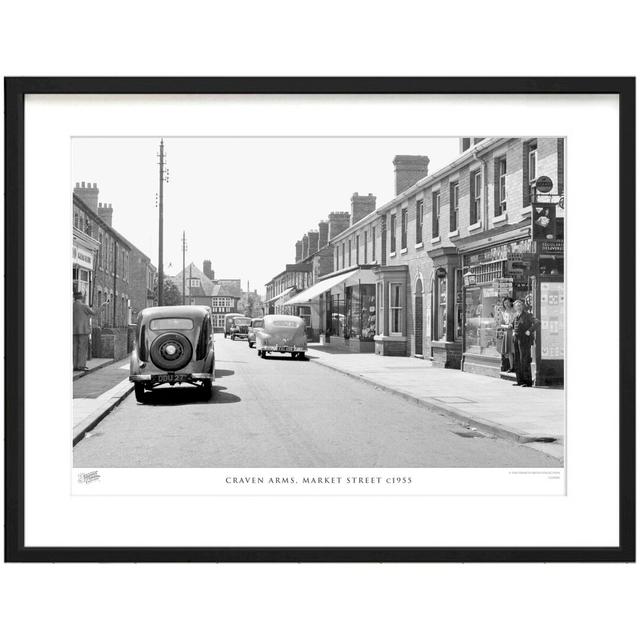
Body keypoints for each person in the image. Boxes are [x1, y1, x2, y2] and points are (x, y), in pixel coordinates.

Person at [73, 291, 106, 371]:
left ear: (74, 297)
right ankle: (81, 366)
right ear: (81, 297)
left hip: (73, 330)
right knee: (82, 348)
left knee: (74, 348)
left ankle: (75, 366)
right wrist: (102, 306)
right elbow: (94, 313)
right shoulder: (84, 306)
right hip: (83, 331)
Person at [512, 298, 539, 387]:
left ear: (522, 306)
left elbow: (537, 322)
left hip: (524, 340)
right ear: (515, 308)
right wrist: (512, 331)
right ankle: (520, 381)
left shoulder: (527, 315)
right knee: (517, 360)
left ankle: (527, 382)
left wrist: (529, 331)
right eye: (517, 306)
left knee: (524, 360)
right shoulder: (516, 316)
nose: (518, 307)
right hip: (516, 339)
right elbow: (513, 325)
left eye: (520, 305)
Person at [497, 296, 516, 372]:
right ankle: (511, 367)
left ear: (511, 302)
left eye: (508, 302)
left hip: (514, 332)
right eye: (505, 303)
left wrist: (512, 326)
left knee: (515, 350)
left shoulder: (514, 311)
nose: (507, 304)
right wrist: (507, 326)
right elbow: (500, 324)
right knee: (510, 351)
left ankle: (517, 367)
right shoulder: (503, 313)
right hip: (507, 332)